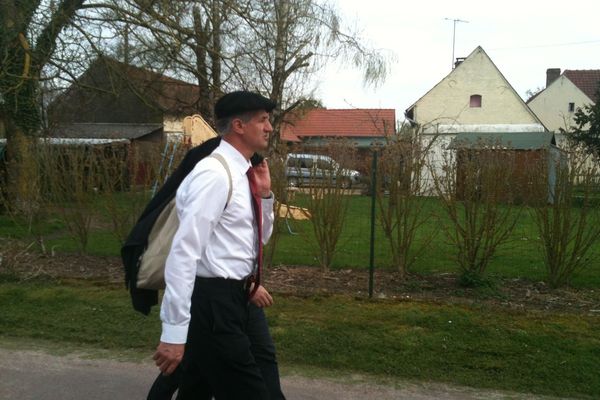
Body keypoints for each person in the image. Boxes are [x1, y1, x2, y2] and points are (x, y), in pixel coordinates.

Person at [152, 91, 285, 399]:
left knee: (251, 379)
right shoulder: (214, 175)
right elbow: (184, 254)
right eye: (263, 120)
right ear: (239, 125)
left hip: (241, 296)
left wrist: (264, 195)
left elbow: (257, 240)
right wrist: (173, 333)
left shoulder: (244, 173)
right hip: (214, 301)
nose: (269, 128)